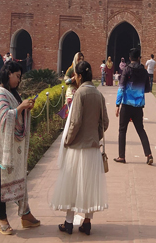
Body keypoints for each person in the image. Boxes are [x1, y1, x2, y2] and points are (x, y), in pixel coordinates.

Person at [0, 61, 40, 235]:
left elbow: (15, 114)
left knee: (19, 178)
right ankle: (2, 219)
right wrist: (21, 107)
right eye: (17, 77)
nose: (18, 81)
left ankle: (25, 214)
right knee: (0, 183)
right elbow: (5, 117)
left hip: (13, 148)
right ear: (8, 73)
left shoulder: (10, 93)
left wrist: (25, 109)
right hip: (2, 148)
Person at [50, 61, 109, 235]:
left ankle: (68, 223)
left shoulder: (80, 94)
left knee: (72, 185)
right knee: (89, 186)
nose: (74, 78)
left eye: (75, 75)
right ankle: (87, 222)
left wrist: (67, 140)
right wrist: (95, 134)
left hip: (77, 148)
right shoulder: (98, 95)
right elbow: (104, 122)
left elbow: (75, 122)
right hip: (92, 148)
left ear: (80, 76)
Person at [114, 48, 153, 165]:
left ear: (130, 58)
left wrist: (117, 104)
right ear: (139, 58)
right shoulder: (144, 72)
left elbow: (121, 88)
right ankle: (149, 154)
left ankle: (121, 156)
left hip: (126, 105)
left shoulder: (126, 70)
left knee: (122, 130)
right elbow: (147, 89)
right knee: (141, 130)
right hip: (138, 106)